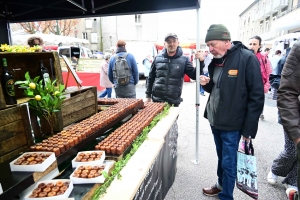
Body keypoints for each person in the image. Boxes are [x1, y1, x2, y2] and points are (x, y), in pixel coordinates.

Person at [199, 24, 264, 200]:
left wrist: (249, 130)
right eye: (208, 45)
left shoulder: (247, 58)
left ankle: (226, 196)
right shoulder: (217, 60)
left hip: (233, 123)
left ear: (227, 41)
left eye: (213, 44)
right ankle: (221, 185)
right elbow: (218, 88)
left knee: (229, 162)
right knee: (222, 158)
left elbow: (257, 96)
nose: (210, 49)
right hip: (215, 119)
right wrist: (207, 83)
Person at [145, 32, 205, 106]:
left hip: (173, 101)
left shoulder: (184, 60)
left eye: (174, 41)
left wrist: (201, 62)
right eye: (169, 42)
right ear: (165, 44)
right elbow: (151, 78)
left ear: (178, 43)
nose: (171, 44)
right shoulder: (157, 58)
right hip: (157, 100)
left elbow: (194, 76)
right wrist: (148, 95)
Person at [276, 42, 300, 200]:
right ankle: (275, 170)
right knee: (291, 151)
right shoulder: (297, 50)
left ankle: (292, 181)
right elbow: (286, 91)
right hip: (293, 119)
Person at [248, 35, 272, 120]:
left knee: (255, 113)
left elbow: (269, 74)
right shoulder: (244, 57)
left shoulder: (264, 58)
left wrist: (265, 87)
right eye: (250, 44)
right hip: (246, 88)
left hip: (259, 88)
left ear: (259, 45)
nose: (252, 46)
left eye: (254, 44)